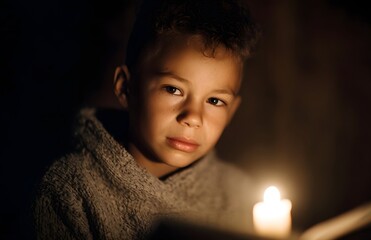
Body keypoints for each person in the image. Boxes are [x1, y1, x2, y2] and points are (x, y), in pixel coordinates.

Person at [33, 0, 261, 239]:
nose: (192, 117)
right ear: (125, 88)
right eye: (173, 89)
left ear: (231, 112)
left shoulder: (242, 198)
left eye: (214, 101)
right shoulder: (70, 190)